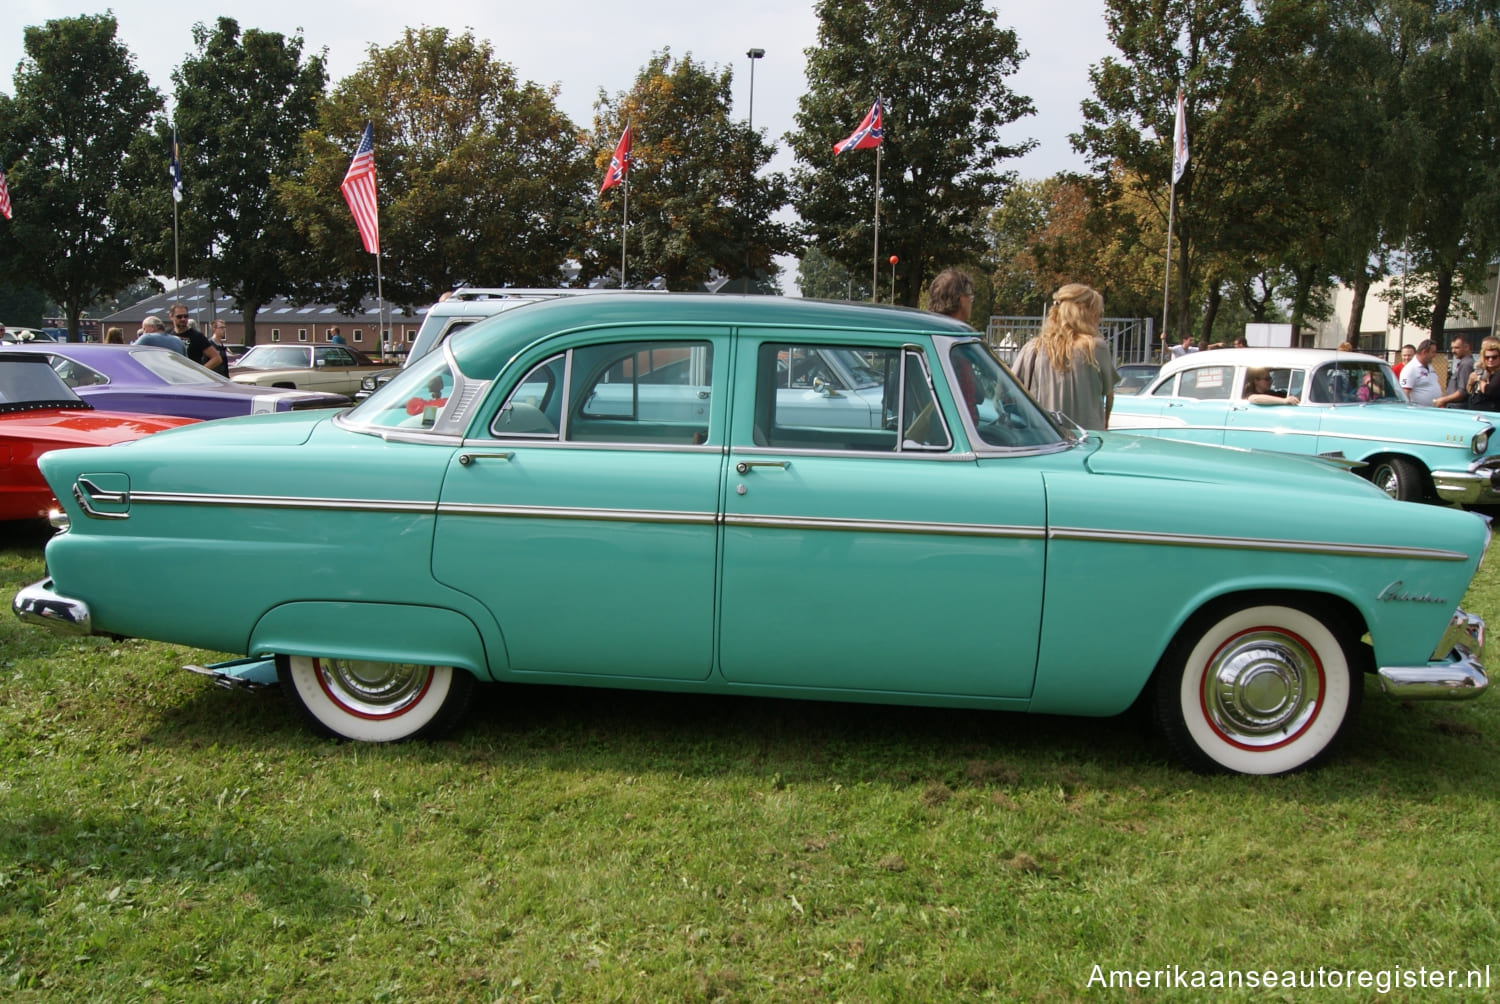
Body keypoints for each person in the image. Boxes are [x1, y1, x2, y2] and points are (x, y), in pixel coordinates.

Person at [1012, 283, 1120, 430]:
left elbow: (1006, 393)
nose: (1099, 320)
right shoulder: (1095, 348)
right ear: (1084, 313)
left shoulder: (1033, 349)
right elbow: (1109, 395)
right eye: (1097, 314)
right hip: (1087, 440)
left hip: (1044, 439)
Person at [167, 305, 222, 374]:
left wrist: (199, 372)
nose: (183, 319)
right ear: (171, 317)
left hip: (190, 378)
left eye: (186, 316)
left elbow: (216, 358)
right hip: (172, 375)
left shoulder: (197, 336)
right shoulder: (167, 334)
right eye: (179, 317)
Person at [1399, 339, 1441, 405]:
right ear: (1424, 352)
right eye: (1433, 352)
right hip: (1419, 411)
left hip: (1432, 410)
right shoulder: (1410, 369)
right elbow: (1405, 394)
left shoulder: (1429, 367)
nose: (1435, 355)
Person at [1435, 335, 1473, 408]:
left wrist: (1443, 400)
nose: (1453, 351)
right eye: (1452, 348)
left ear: (1467, 347)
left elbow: (1462, 392)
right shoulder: (1463, 363)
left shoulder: (1466, 364)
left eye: (1457, 348)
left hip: (1457, 408)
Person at [1466, 337, 1500, 410]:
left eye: (1494, 357)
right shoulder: (1480, 368)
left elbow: (1489, 390)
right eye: (1487, 357)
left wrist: (1479, 379)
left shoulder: (1498, 373)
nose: (1490, 360)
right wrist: (1470, 382)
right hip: (1475, 409)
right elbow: (1469, 391)